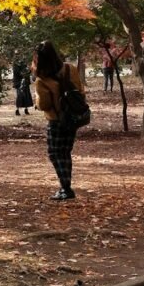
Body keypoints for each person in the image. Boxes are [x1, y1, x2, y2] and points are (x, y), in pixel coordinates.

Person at [33, 41, 85, 201]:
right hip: (73, 117)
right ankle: (66, 187)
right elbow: (80, 91)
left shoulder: (42, 80)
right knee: (65, 152)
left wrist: (37, 100)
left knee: (55, 153)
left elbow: (44, 104)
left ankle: (66, 188)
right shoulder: (70, 69)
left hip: (56, 121)